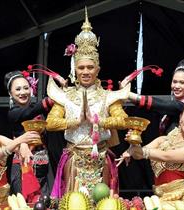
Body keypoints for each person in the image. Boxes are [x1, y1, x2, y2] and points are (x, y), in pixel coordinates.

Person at [45, 8, 131, 198]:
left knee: (103, 203)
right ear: (75, 69)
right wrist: (74, 121)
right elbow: (50, 123)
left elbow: (123, 120)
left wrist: (98, 121)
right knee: (75, 202)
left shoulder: (108, 96)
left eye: (90, 67)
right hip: (75, 158)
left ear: (98, 69)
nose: (86, 71)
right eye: (81, 67)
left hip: (101, 158)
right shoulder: (65, 96)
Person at [122, 85, 184, 210]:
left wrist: (138, 150)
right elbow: (139, 155)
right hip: (160, 198)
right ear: (180, 116)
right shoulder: (162, 140)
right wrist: (134, 140)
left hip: (182, 200)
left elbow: (167, 156)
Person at [122, 57, 184, 135]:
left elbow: (159, 104)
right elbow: (152, 106)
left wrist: (127, 94)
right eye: (174, 82)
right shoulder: (171, 106)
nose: (176, 86)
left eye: (182, 83)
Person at [4, 70, 55, 202]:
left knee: (44, 200)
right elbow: (29, 112)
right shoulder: (13, 113)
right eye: (18, 89)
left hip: (43, 160)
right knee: (23, 200)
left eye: (26, 88)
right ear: (10, 93)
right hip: (23, 162)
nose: (23, 92)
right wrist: (47, 102)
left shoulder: (36, 110)